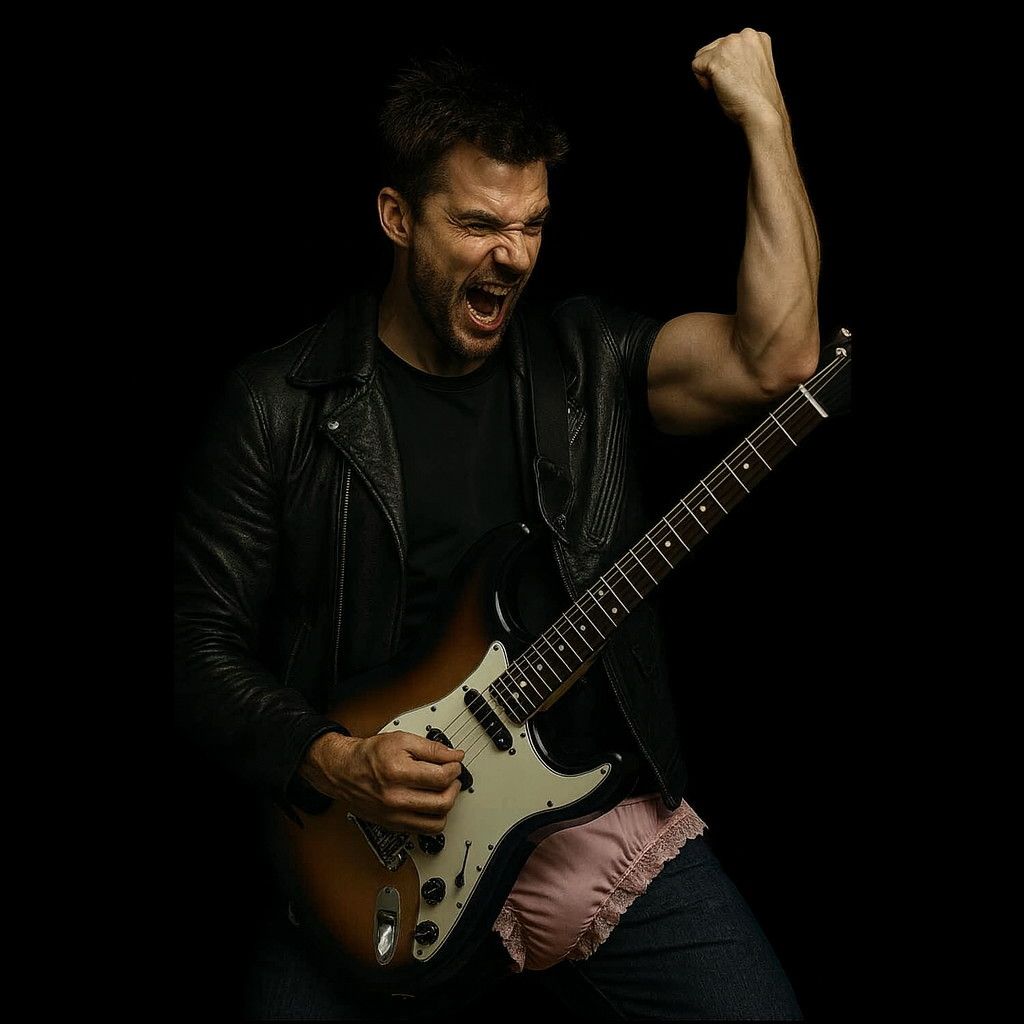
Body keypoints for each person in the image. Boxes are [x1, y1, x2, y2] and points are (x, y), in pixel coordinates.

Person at [175, 28, 819, 1019]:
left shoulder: (587, 362)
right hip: (372, 850)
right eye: (479, 223)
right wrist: (335, 761)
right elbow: (197, 649)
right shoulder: (278, 405)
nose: (512, 256)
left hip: (587, 818)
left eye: (533, 225)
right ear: (396, 217)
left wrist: (764, 117)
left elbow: (778, 359)